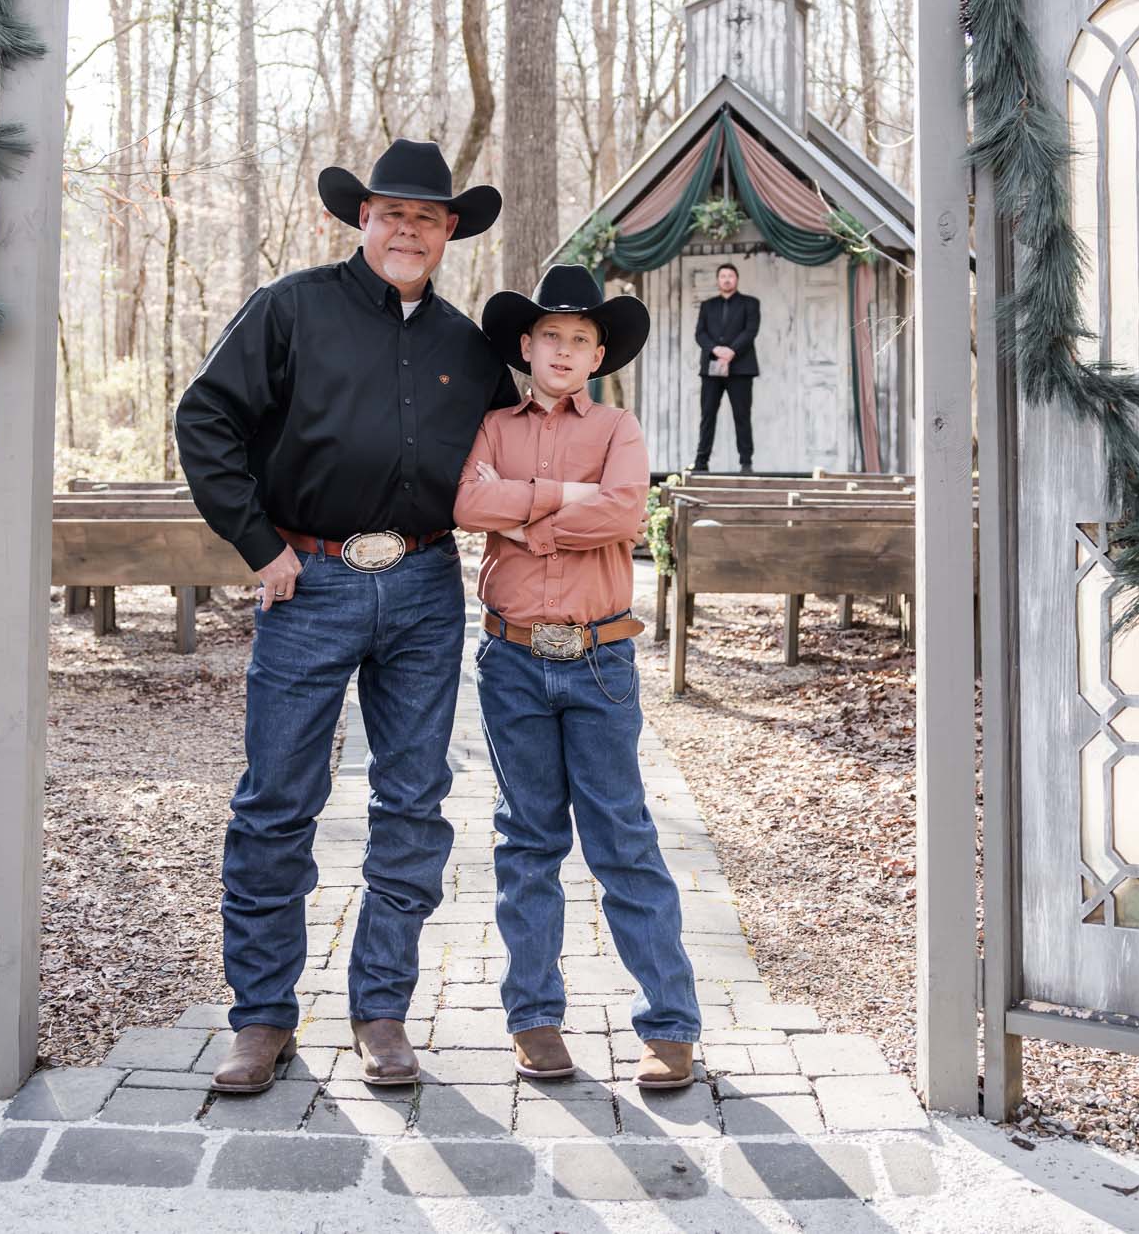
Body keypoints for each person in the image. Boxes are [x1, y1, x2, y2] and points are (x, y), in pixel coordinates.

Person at [174, 139, 517, 1095]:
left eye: (428, 216)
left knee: (412, 801)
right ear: (361, 218)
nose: (408, 228)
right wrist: (259, 544)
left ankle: (381, 1011)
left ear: (451, 232)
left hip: (422, 589)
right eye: (390, 211)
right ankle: (262, 1018)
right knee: (278, 801)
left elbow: (505, 462)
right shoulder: (290, 309)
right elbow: (204, 418)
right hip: (309, 581)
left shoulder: (470, 348)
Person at [453, 264, 703, 1089]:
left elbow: (626, 512)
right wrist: (566, 499)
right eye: (550, 337)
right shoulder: (491, 426)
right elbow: (466, 503)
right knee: (528, 838)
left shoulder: (618, 429)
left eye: (580, 340)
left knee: (622, 837)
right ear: (525, 348)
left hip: (600, 659)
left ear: (598, 356)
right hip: (513, 657)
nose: (563, 351)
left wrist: (527, 519)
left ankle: (668, 1023)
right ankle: (534, 1017)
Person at [693, 261, 759, 473]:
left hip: (740, 368)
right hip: (712, 367)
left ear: (736, 279)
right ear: (718, 280)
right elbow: (700, 334)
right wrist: (716, 349)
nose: (727, 279)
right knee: (707, 415)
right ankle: (701, 462)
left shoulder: (750, 303)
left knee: (742, 415)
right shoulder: (707, 305)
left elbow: (750, 331)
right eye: (723, 276)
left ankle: (746, 463)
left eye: (730, 275)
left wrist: (732, 351)